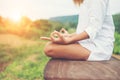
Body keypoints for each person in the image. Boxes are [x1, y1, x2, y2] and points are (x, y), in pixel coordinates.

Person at [41, 0, 115, 61]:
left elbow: (94, 29)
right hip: (89, 42)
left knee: (49, 48)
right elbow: (86, 29)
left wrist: (69, 40)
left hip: (98, 48)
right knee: (50, 45)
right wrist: (69, 36)